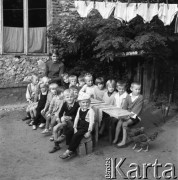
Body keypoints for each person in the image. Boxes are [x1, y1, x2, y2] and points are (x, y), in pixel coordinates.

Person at [59, 93, 95, 159]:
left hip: (86, 127)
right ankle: (72, 146)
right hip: (80, 125)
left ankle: (69, 151)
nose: (85, 104)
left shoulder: (90, 111)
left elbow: (91, 122)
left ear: (89, 102)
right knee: (69, 132)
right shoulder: (79, 109)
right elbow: (76, 118)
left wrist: (89, 132)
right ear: (80, 103)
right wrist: (75, 127)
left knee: (76, 135)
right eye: (83, 102)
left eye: (87, 102)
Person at [49, 89, 79, 153]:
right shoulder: (65, 104)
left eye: (71, 97)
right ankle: (56, 145)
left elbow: (78, 116)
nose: (69, 99)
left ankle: (64, 134)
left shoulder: (77, 105)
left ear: (74, 97)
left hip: (73, 123)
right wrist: (60, 121)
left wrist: (70, 117)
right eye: (67, 97)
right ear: (65, 98)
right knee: (55, 128)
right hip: (65, 121)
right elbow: (60, 113)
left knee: (65, 119)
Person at [116, 82, 144, 147]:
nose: (138, 91)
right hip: (128, 114)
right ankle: (116, 138)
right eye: (136, 89)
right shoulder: (128, 96)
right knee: (120, 121)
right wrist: (123, 114)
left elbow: (136, 110)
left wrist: (128, 117)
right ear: (131, 89)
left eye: (139, 89)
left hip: (136, 116)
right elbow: (125, 107)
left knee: (124, 123)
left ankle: (124, 141)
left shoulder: (140, 97)